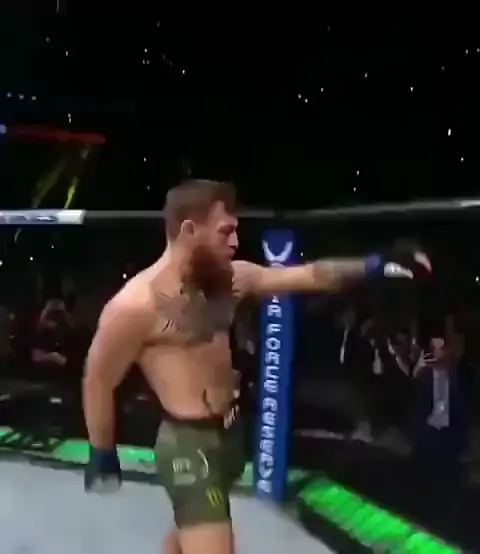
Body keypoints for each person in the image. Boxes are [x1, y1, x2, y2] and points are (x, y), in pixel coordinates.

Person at [82, 179, 431, 554]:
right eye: (225, 231)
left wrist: (374, 265)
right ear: (189, 230)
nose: (235, 241)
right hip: (187, 445)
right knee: (207, 532)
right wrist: (102, 450)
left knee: (190, 528)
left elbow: (310, 275)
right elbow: (99, 379)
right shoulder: (135, 306)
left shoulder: (229, 280)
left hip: (230, 432)